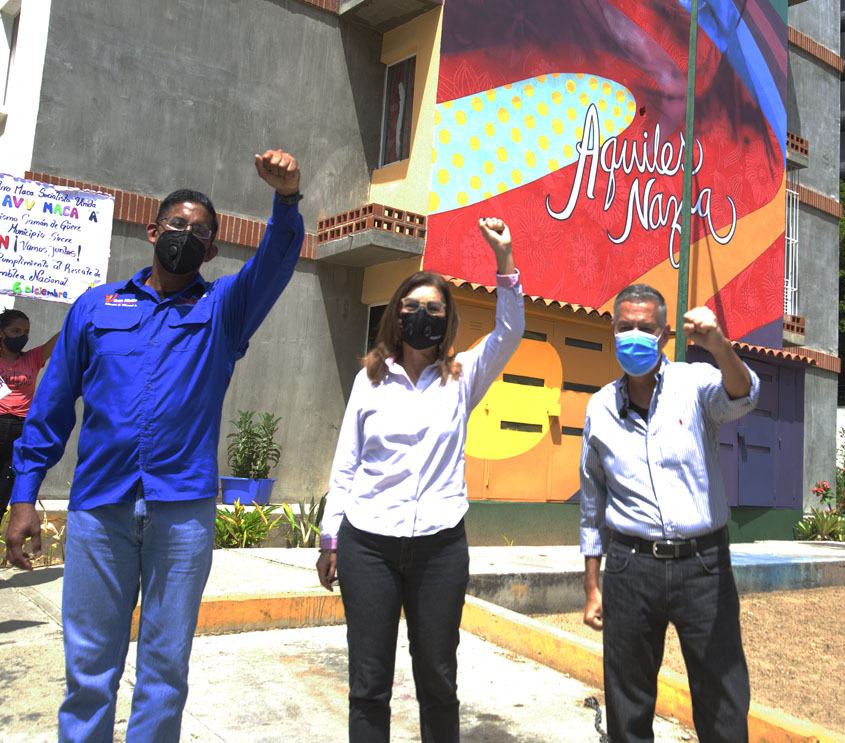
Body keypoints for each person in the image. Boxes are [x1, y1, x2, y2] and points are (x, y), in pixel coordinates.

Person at [4, 150, 305, 743]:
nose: (185, 236)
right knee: (89, 670)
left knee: (165, 672)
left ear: (211, 252)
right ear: (152, 230)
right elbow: (52, 405)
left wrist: (287, 199)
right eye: (176, 224)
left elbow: (274, 262)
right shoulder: (95, 307)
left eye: (200, 232)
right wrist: (23, 494)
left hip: (181, 515)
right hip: (100, 509)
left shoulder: (223, 310)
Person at [316, 217, 523, 743]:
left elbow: (509, 332)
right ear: (396, 315)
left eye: (434, 309)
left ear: (447, 320)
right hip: (368, 545)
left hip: (439, 548)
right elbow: (347, 463)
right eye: (412, 307)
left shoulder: (462, 377)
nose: (422, 316)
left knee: (437, 681)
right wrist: (330, 537)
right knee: (369, 685)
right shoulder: (369, 381)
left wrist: (504, 261)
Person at [579, 283, 758, 743]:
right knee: (627, 702)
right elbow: (593, 503)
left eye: (646, 328)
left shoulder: (694, 384)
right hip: (629, 566)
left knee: (723, 698)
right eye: (625, 327)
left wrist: (718, 344)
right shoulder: (599, 408)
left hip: (704, 565)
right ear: (612, 329)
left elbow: (744, 395)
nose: (634, 336)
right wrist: (592, 585)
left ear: (664, 334)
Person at [0, 309, 59, 522]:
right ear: (1, 333)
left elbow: (60, 338)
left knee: (6, 483)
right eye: (15, 331)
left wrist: (81, 308)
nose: (22, 337)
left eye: (26, 332)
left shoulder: (33, 358)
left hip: (20, 428)